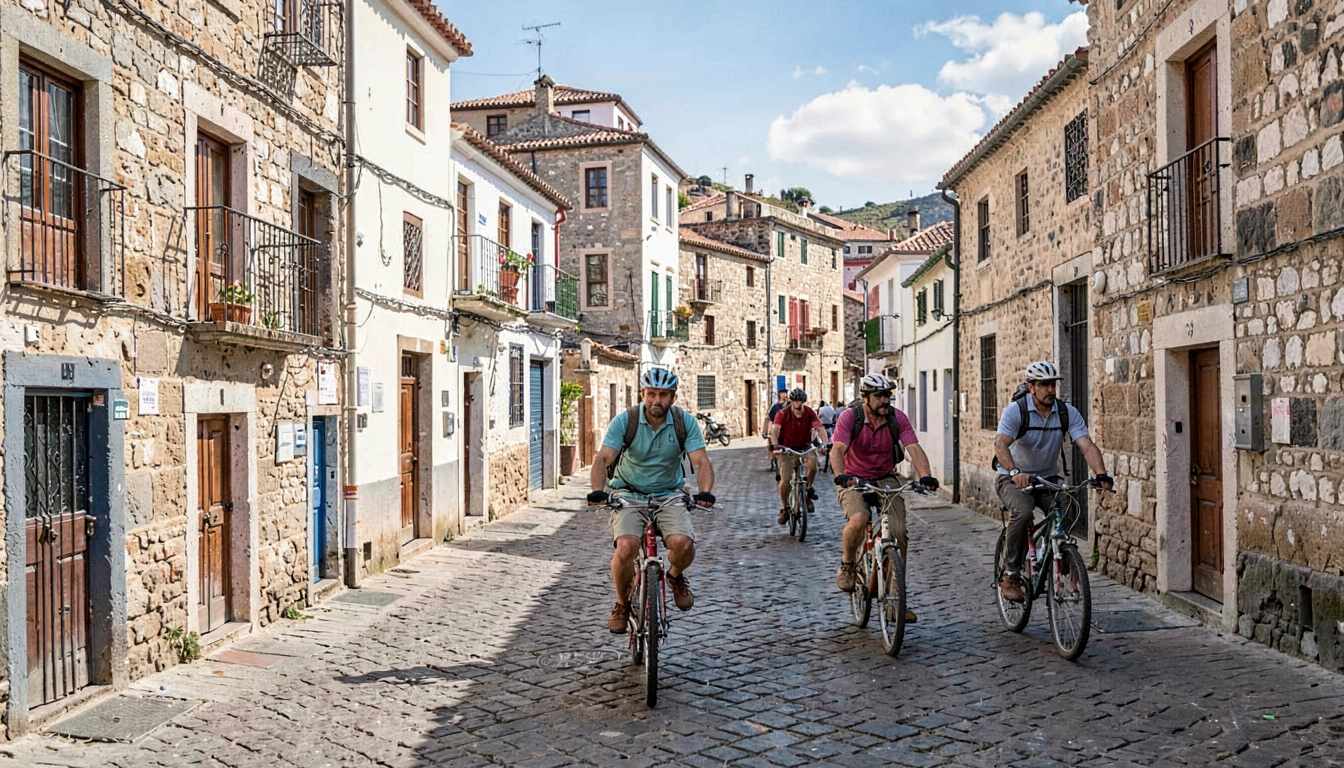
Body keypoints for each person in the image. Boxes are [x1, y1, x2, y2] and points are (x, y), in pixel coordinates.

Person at [587, 368, 717, 633]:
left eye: (664, 395)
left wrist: (704, 492)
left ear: (674, 397)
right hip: (629, 492)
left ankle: (675, 576)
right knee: (626, 547)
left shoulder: (684, 422)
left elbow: (701, 461)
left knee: (683, 543)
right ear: (643, 394)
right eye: (652, 394)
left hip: (669, 494)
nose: (657, 400)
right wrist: (598, 490)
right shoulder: (626, 420)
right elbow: (602, 458)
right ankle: (622, 604)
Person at [993, 361, 1113, 603]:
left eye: (1053, 385)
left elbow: (1086, 444)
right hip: (1012, 477)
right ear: (1031, 387)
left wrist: (1101, 474)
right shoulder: (1016, 411)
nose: (1051, 390)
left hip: (1048, 478)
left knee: (1065, 509)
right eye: (1044, 385)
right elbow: (1000, 444)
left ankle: (1061, 559)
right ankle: (1011, 574)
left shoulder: (1067, 412)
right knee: (1024, 511)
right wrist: (1015, 470)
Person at [829, 373, 938, 623]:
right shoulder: (850, 417)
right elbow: (838, 449)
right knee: (859, 518)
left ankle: (895, 601)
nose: (884, 400)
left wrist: (926, 476)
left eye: (887, 395)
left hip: (885, 477)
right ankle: (847, 564)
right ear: (864, 398)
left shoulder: (897, 419)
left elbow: (913, 448)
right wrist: (841, 475)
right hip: (853, 478)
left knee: (898, 531)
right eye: (878, 395)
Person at [770, 388, 829, 525]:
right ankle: (785, 508)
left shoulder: (809, 412)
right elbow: (775, 430)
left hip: (805, 447)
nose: (798, 404)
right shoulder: (782, 414)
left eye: (801, 401)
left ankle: (807, 490)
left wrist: (825, 444)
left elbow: (819, 427)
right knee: (785, 480)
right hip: (787, 449)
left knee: (813, 466)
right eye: (795, 401)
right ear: (791, 401)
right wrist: (775, 445)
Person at [763, 387, 789, 473]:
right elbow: (768, 419)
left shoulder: (791, 405)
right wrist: (765, 431)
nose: (785, 395)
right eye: (783, 393)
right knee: (772, 445)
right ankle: (774, 461)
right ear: (779, 395)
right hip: (777, 431)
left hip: (789, 430)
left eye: (786, 393)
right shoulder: (775, 407)